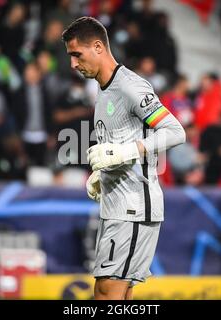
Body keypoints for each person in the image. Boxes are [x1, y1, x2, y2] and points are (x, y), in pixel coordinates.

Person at [62, 17, 185, 300]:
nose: (73, 64)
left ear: (98, 47)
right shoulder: (103, 90)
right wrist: (103, 175)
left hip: (134, 207)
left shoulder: (131, 86)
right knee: (118, 295)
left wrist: (125, 152)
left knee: (107, 293)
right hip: (118, 205)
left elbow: (175, 132)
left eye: (76, 55)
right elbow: (117, 143)